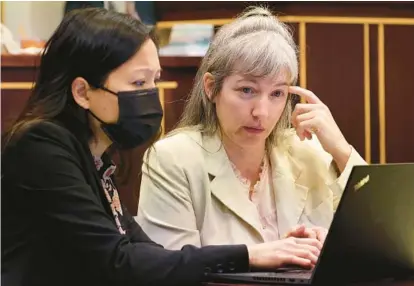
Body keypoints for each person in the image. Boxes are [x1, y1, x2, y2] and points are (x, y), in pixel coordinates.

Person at [1, 8, 324, 286]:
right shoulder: (41, 145)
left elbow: (151, 254)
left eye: (154, 80)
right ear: (83, 92)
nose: (151, 95)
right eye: (138, 83)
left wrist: (274, 252)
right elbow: (117, 260)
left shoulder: (95, 155)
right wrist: (250, 254)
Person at [136, 6, 367, 250]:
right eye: (247, 90)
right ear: (211, 87)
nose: (262, 112)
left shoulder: (307, 151)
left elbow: (385, 240)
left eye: (277, 93)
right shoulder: (173, 159)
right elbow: (172, 270)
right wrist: (265, 257)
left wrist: (342, 150)